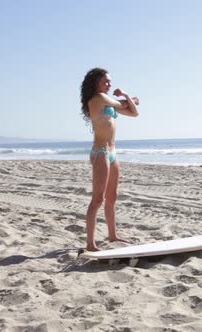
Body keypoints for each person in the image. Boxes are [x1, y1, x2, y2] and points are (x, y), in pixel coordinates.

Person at [80, 68, 139, 251]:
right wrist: (128, 99)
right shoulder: (98, 99)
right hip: (100, 153)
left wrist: (127, 97)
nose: (109, 84)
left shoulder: (109, 103)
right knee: (97, 199)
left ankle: (112, 235)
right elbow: (124, 106)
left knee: (112, 197)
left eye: (110, 81)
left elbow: (134, 113)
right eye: (105, 81)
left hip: (112, 153)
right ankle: (90, 244)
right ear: (96, 82)